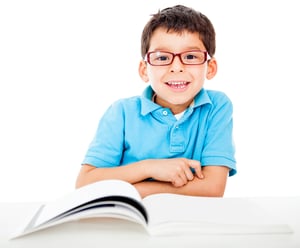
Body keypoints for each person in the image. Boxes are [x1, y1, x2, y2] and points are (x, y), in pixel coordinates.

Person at [76, 4, 236, 198]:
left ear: (210, 67)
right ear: (144, 70)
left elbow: (212, 188)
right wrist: (149, 168)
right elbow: (85, 183)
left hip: (188, 222)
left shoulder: (217, 106)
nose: (176, 67)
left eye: (191, 56)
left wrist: (136, 190)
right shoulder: (121, 112)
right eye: (162, 58)